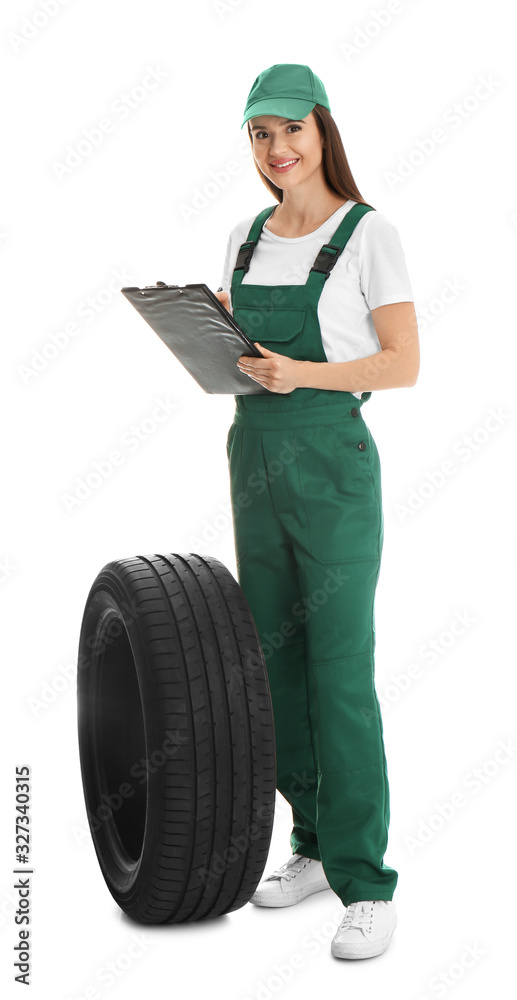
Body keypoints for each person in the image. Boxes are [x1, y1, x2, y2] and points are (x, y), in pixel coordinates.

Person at [215, 63, 419, 961]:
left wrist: (300, 374)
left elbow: (400, 363)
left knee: (338, 668)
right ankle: (308, 845)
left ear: (323, 131)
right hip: (253, 451)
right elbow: (244, 361)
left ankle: (365, 878)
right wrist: (214, 336)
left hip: (330, 459)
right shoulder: (246, 235)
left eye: (290, 129)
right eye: (260, 134)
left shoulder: (369, 234)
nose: (277, 149)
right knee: (271, 664)